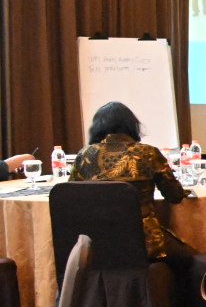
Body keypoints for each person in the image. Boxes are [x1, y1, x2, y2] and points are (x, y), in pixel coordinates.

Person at [69, 101, 190, 260]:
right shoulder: (148, 152)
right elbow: (174, 195)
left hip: (97, 242)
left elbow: (71, 194)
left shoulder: (85, 154)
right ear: (132, 126)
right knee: (192, 257)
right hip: (145, 241)